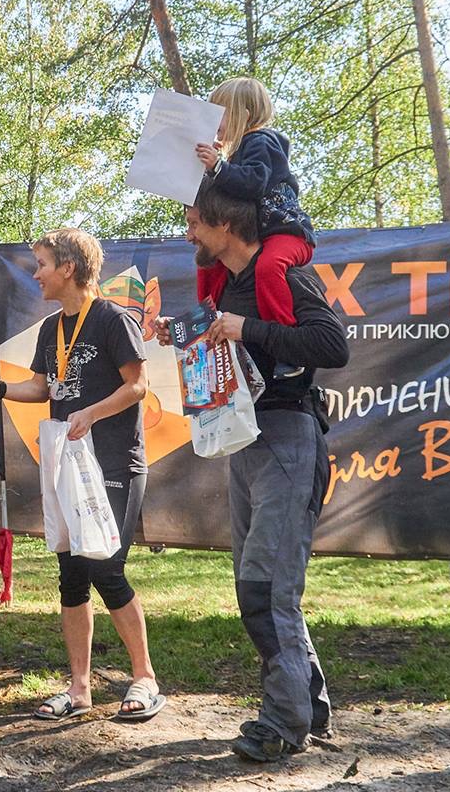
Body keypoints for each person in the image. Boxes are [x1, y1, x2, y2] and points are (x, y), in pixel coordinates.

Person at [155, 179, 348, 762]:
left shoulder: (283, 274)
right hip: (245, 440)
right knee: (260, 584)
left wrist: (248, 328)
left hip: (289, 438)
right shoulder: (229, 284)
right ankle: (308, 704)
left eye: (194, 222)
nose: (187, 233)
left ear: (224, 224)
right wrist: (183, 333)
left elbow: (333, 345)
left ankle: (283, 724)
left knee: (265, 588)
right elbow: (234, 352)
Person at [0, 228, 165, 722]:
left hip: (115, 462)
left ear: (69, 268)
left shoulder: (113, 319)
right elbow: (43, 388)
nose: (36, 274)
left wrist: (91, 414)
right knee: (72, 574)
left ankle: (145, 677)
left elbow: (138, 386)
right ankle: (79, 690)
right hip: (69, 465)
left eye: (41, 264)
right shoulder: (50, 329)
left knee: (106, 568)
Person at [195, 77, 316, 377]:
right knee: (208, 264)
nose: (214, 123)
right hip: (262, 234)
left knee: (268, 267)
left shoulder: (261, 141)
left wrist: (219, 167)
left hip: (289, 233)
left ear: (244, 115)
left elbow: (253, 183)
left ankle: (286, 345)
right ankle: (205, 325)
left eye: (220, 114)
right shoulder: (239, 152)